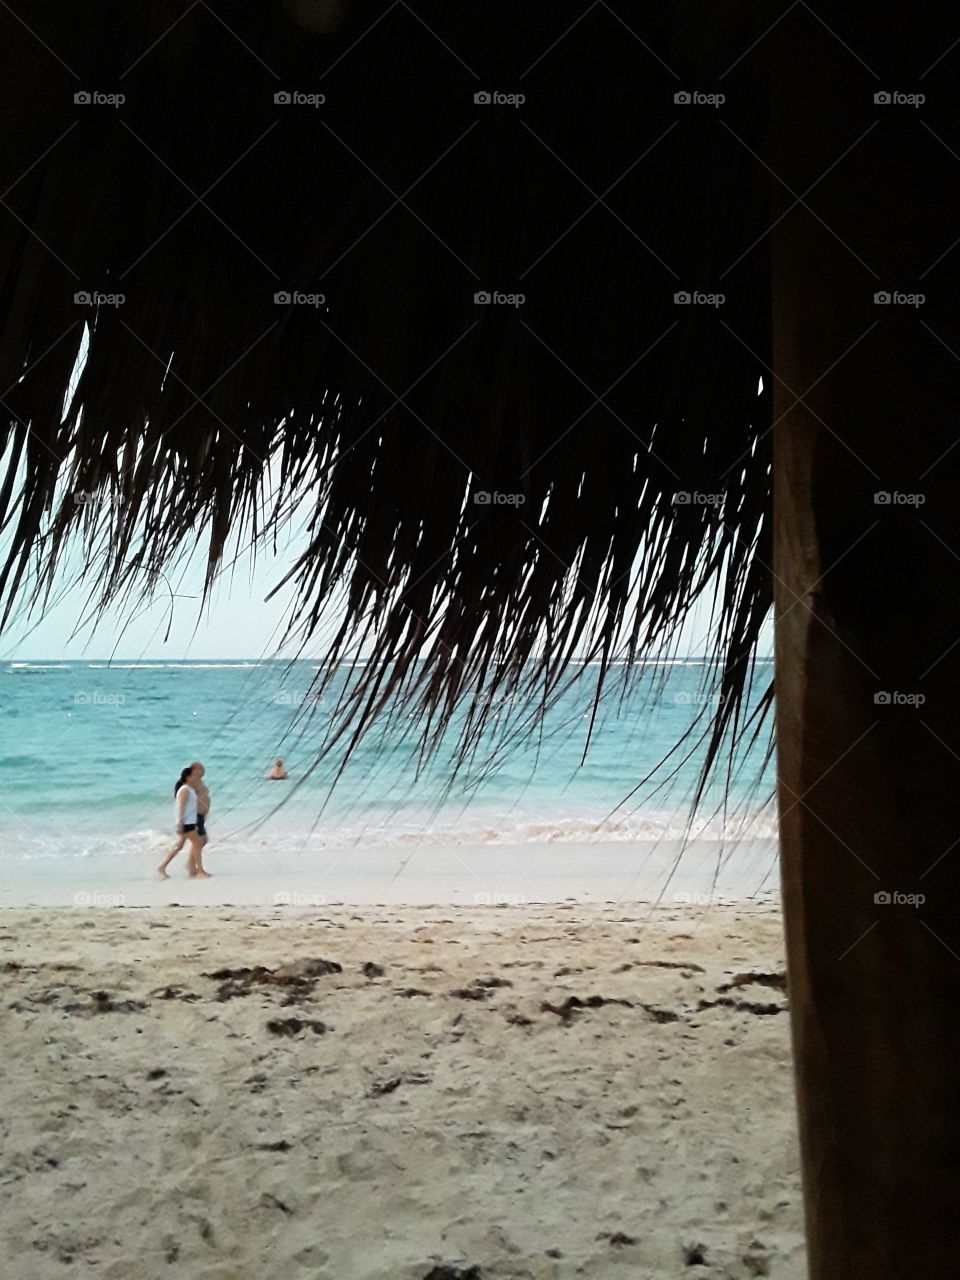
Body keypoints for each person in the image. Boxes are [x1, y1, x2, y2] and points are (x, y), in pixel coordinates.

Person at [158, 765, 211, 879]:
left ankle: (163, 866)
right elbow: (180, 807)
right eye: (193, 776)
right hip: (186, 823)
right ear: (187, 777)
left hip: (190, 822)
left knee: (180, 845)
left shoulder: (191, 790)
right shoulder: (184, 790)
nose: (196, 778)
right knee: (198, 843)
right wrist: (180, 823)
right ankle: (199, 871)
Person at [190, 760, 210, 846]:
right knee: (200, 840)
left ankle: (192, 859)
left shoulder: (200, 781)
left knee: (202, 840)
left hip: (201, 815)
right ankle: (194, 859)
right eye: (200, 769)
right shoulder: (193, 782)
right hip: (196, 815)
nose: (203, 771)